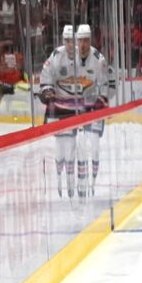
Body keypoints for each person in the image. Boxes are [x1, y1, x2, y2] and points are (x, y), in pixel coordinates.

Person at [70, 24, 115, 197]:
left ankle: (93, 182)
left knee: (94, 147)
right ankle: (82, 183)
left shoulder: (99, 60)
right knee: (80, 147)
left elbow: (105, 85)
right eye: (80, 40)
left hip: (94, 109)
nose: (82, 44)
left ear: (90, 40)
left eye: (86, 40)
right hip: (77, 109)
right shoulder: (69, 57)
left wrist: (102, 101)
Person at [39, 25, 84, 197]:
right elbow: (46, 75)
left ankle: (71, 181)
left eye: (71, 40)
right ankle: (59, 178)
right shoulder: (57, 55)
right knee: (59, 146)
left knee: (71, 146)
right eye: (66, 40)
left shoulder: (85, 56)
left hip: (77, 108)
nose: (69, 44)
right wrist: (47, 90)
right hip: (60, 108)